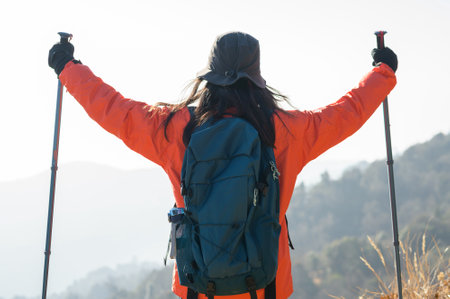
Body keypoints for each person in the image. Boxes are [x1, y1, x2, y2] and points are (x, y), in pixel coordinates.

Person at [48, 31, 397, 299]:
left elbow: (115, 110)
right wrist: (383, 71)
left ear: (210, 74)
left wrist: (68, 67)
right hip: (265, 284)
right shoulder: (286, 130)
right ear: (256, 75)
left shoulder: (173, 129)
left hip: (199, 285)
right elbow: (345, 113)